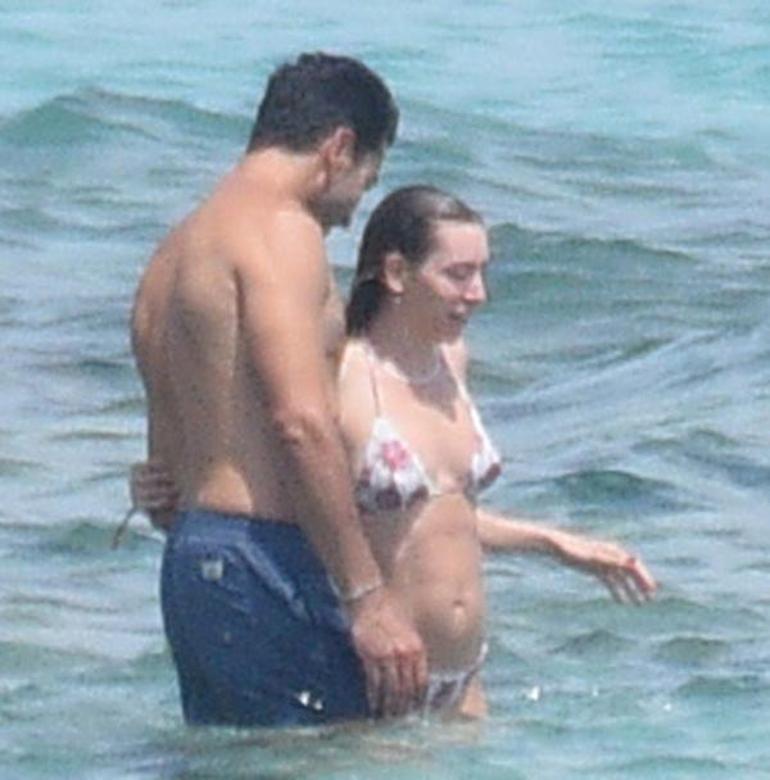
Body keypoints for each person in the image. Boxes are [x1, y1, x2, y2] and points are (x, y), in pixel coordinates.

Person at [130, 183, 656, 722]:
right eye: (458, 274)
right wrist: (166, 483)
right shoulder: (344, 375)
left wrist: (555, 543)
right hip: (385, 675)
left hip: (466, 677)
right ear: (398, 273)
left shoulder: (452, 362)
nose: (478, 293)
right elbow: (282, 480)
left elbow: (441, 516)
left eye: (482, 273)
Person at [127, 52, 428, 727]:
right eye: (366, 180)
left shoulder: (174, 252)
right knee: (334, 759)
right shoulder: (280, 230)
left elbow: (164, 488)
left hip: (195, 562)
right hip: (265, 557)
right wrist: (367, 596)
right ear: (338, 148)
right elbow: (300, 421)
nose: (352, 213)